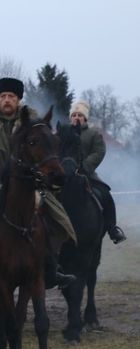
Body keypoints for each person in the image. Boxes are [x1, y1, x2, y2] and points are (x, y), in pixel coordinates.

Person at [0, 77, 77, 293]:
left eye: (11, 96)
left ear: (18, 99)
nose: (7, 100)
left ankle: (51, 266)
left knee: (52, 216)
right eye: (3, 96)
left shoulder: (34, 123)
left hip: (28, 180)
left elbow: (48, 152)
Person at [62, 100, 126, 244]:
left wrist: (84, 166)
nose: (76, 117)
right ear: (70, 117)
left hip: (86, 174)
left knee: (105, 194)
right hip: (64, 174)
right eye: (74, 115)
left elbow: (99, 152)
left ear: (85, 118)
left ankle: (112, 229)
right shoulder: (63, 132)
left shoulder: (93, 134)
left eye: (80, 115)